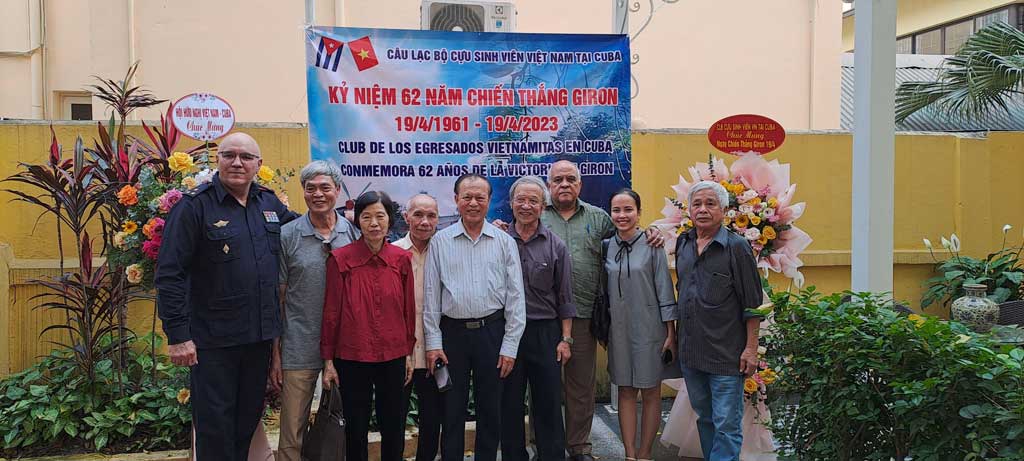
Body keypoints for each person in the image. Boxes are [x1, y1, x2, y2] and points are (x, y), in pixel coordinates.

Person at [155, 132, 299, 461]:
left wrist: (341, 223)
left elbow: (301, 234)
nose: (237, 162)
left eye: (246, 157)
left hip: (258, 340)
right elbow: (170, 273)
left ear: (258, 164)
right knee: (215, 428)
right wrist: (178, 336)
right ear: (217, 160)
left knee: (246, 424)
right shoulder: (194, 207)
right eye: (229, 155)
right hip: (213, 342)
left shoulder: (268, 204)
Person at [541, 160, 663, 461]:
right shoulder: (536, 215)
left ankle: (579, 448)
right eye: (558, 179)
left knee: (581, 388)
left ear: (580, 184)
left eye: (571, 179)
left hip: (584, 315)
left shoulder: (598, 218)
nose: (565, 184)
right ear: (549, 184)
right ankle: (545, 447)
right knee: (543, 387)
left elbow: (628, 236)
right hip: (543, 317)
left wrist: (654, 232)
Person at [423, 173, 526, 461]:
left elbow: (516, 298)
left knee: (490, 409)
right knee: (451, 408)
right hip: (452, 335)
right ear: (456, 200)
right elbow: (431, 296)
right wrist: (433, 343)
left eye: (480, 197)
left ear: (489, 201)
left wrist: (510, 346)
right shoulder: (440, 241)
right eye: (466, 197)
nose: (473, 203)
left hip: (491, 332)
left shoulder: (504, 242)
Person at [271, 160, 359, 461]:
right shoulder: (287, 236)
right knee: (292, 429)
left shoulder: (352, 234)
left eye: (325, 188)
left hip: (344, 346)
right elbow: (279, 298)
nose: (318, 194)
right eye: (311, 189)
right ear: (304, 192)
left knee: (342, 424)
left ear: (338, 190)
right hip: (299, 343)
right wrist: (276, 354)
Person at [320, 191, 416, 461]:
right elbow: (331, 312)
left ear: (390, 219)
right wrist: (328, 361)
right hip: (352, 355)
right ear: (357, 221)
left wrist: (409, 353)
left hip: (393, 354)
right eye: (366, 217)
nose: (374, 223)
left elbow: (408, 310)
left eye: (380, 216)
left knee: (393, 425)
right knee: (356, 427)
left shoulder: (401, 259)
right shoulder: (340, 259)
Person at [675, 180, 765, 461]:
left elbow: (753, 305)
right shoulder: (684, 242)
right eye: (697, 204)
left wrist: (751, 349)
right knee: (705, 417)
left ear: (724, 210)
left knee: (726, 425)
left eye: (710, 203)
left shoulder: (737, 248)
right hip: (691, 352)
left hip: (726, 355)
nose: (703, 209)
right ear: (690, 209)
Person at [500, 176, 576, 461]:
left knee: (548, 403)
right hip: (507, 332)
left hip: (544, 332)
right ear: (511, 203)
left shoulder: (556, 246)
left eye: (533, 200)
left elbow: (565, 296)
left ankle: (552, 455)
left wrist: (565, 339)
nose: (526, 206)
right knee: (508, 401)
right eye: (520, 199)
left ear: (543, 206)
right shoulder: (498, 241)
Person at [602, 189, 678, 461]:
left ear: (639, 212)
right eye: (617, 210)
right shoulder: (606, 246)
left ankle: (645, 454)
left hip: (650, 328)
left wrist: (670, 333)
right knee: (625, 389)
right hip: (619, 329)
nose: (622, 215)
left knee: (650, 391)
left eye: (628, 209)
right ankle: (630, 455)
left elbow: (665, 290)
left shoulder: (652, 244)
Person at [393, 193, 444, 461]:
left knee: (432, 418)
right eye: (418, 215)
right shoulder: (393, 253)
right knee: (395, 418)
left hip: (435, 350)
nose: (425, 222)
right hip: (400, 352)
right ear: (406, 217)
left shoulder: (445, 251)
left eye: (431, 216)